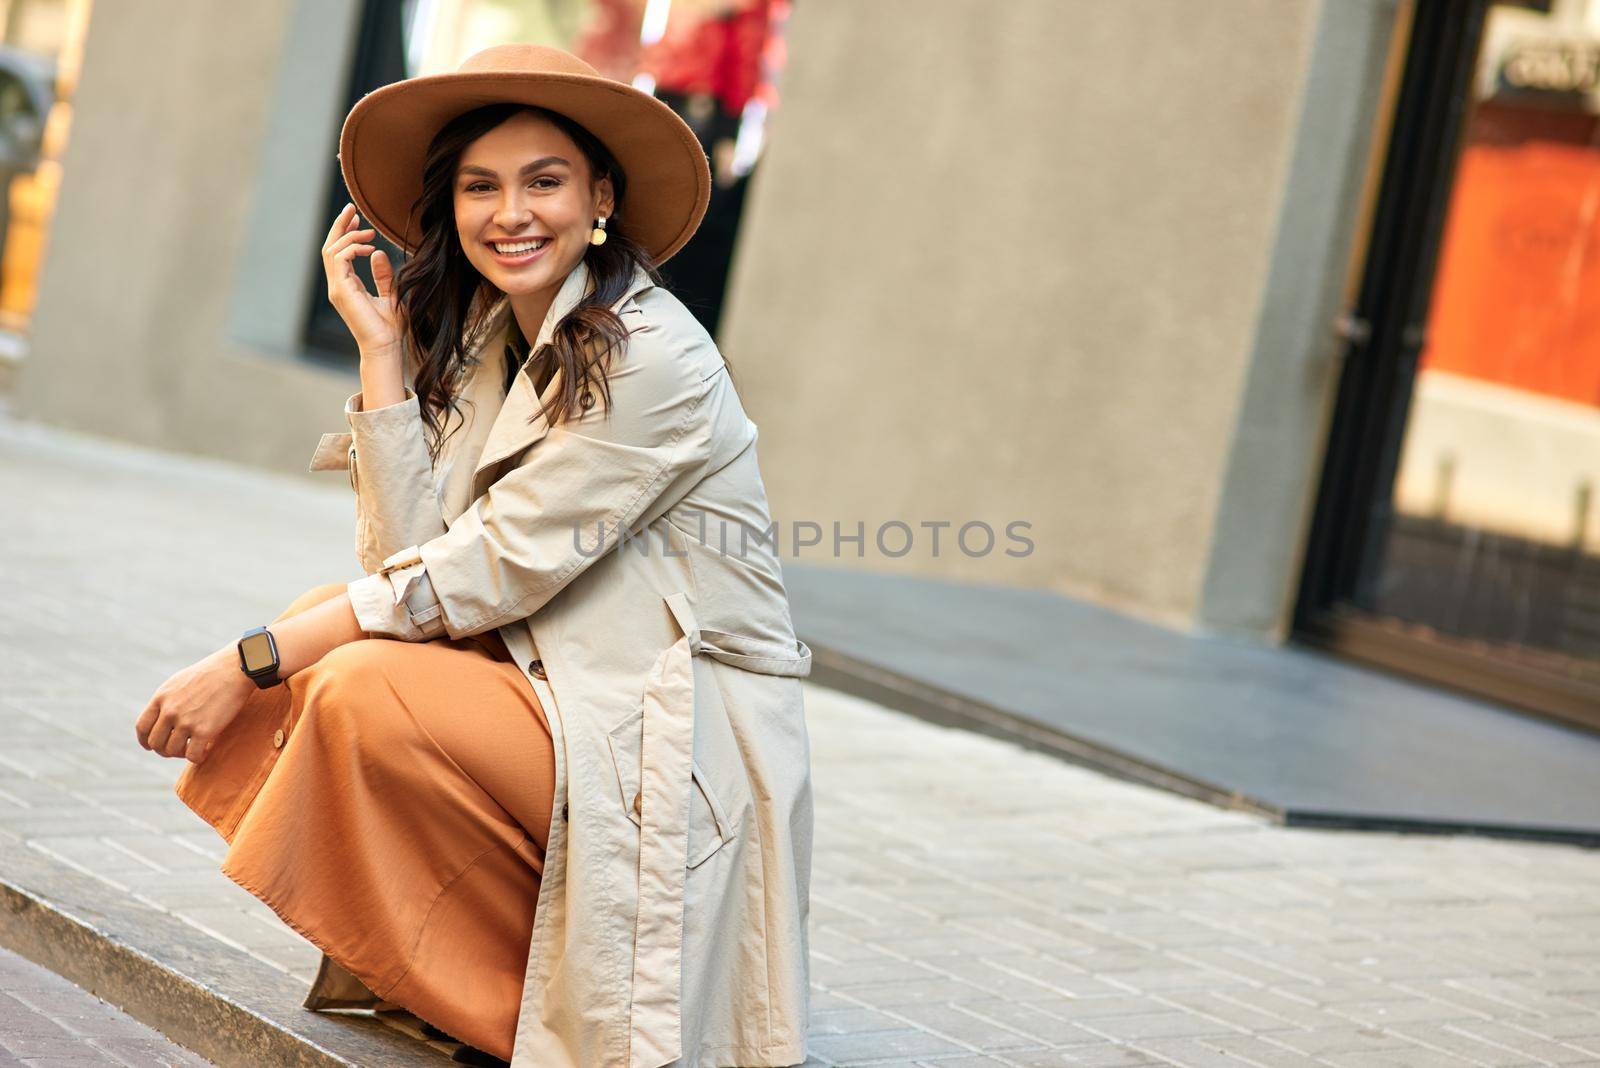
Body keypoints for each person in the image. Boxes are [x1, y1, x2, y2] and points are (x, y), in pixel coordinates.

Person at [135, 43, 814, 1068]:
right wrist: (381, 356)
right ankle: (496, 998)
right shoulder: (500, 332)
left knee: (348, 675)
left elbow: (484, 571)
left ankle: (521, 1017)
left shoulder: (652, 353)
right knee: (339, 640)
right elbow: (411, 561)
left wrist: (249, 656)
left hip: (677, 726)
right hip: (567, 685)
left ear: (600, 197)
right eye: (479, 186)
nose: (512, 213)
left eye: (544, 181)